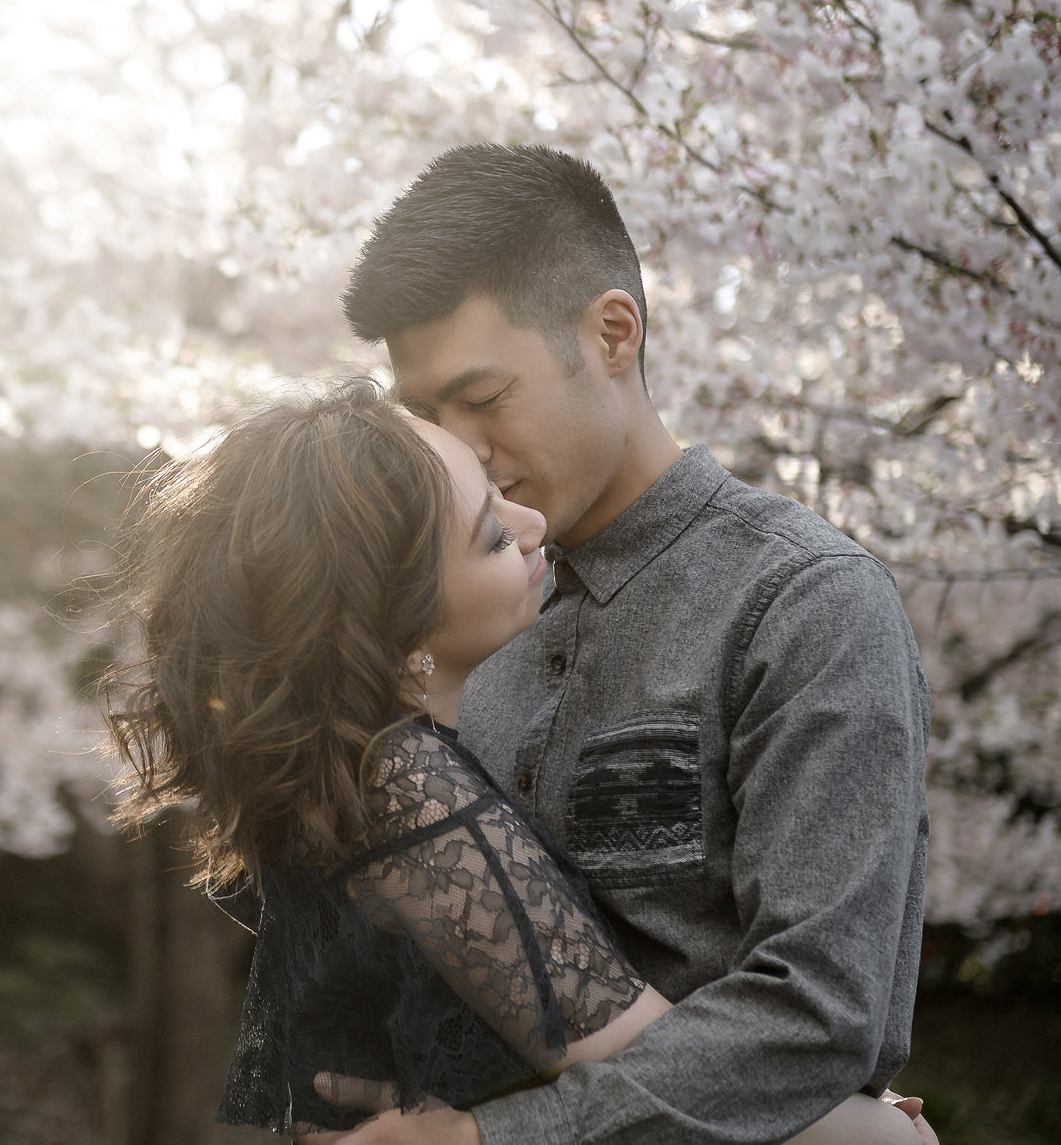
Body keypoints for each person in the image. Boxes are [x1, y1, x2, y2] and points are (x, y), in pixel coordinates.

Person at [98, 378, 928, 1144]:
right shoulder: (409, 795)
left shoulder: (359, 778)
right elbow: (647, 1063)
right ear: (401, 636)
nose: (531, 525)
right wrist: (874, 1126)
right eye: (492, 535)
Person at [310, 145, 934, 1144]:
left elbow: (818, 1014)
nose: (458, 445)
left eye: (482, 397)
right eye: (425, 413)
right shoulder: (454, 625)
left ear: (611, 333)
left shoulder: (803, 604)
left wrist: (492, 1140)